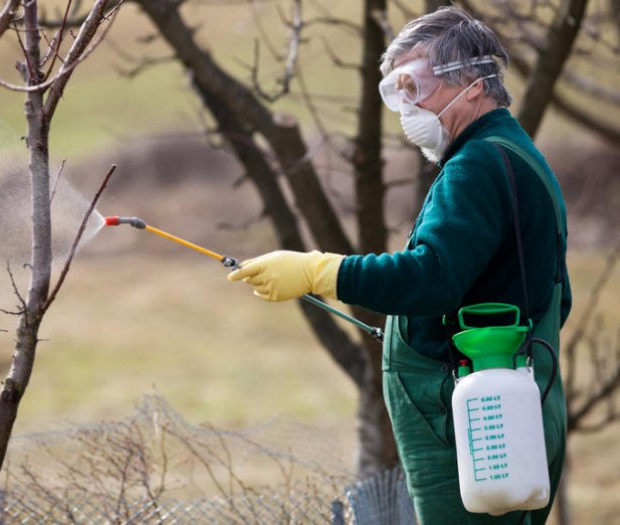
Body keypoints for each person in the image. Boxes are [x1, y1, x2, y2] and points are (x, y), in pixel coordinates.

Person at [227, 7, 571, 525]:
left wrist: (323, 272)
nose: (407, 106)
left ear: (474, 84)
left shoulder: (477, 167)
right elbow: (549, 298)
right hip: (506, 412)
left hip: (474, 425)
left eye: (417, 86)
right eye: (398, 90)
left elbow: (431, 277)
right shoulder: (513, 154)